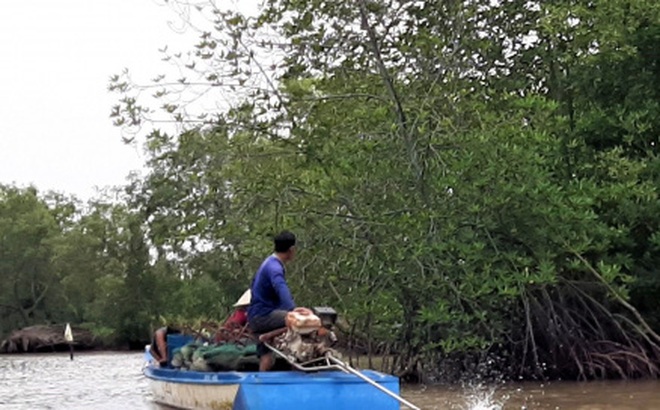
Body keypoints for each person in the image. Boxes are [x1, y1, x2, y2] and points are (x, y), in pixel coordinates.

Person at [248, 230, 297, 371]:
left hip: (255, 316)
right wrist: (292, 311)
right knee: (301, 324)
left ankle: (261, 384)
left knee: (266, 357)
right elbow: (280, 287)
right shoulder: (274, 267)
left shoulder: (267, 263)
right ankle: (298, 371)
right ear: (291, 250)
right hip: (263, 316)